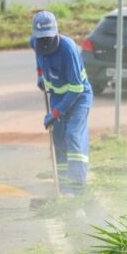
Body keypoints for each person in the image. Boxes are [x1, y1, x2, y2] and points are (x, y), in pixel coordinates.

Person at [30, 10, 93, 196]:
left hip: (79, 97)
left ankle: (78, 187)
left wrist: (56, 113)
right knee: (58, 138)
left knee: (72, 135)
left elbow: (76, 88)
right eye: (40, 39)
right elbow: (38, 57)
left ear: (56, 32)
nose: (44, 43)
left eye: (47, 38)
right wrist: (40, 75)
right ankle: (64, 184)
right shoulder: (36, 43)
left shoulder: (68, 49)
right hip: (57, 95)